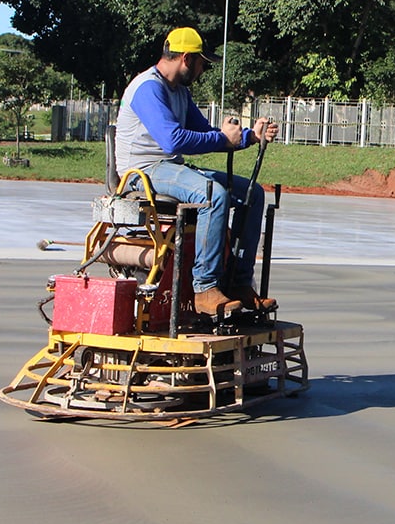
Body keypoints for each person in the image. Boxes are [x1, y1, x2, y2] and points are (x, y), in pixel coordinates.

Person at [110, 27, 280, 316]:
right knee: (213, 194)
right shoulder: (148, 88)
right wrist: (224, 139)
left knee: (252, 193)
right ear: (186, 59)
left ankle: (238, 284)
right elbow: (173, 139)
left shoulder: (179, 91)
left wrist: (249, 136)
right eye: (202, 63)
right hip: (141, 173)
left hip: (167, 167)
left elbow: (206, 132)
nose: (203, 70)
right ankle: (204, 288)